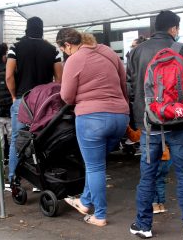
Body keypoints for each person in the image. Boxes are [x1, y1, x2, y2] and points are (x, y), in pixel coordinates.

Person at [127, 10, 183, 238]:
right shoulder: (182, 50)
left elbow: (130, 88)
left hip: (150, 124)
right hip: (179, 122)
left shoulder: (136, 51)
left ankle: (143, 225)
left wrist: (139, 116)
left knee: (147, 175)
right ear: (173, 29)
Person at [57, 28, 129, 227]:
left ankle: (100, 215)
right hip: (120, 117)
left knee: (95, 166)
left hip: (92, 118)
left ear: (68, 45)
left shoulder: (74, 59)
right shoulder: (108, 52)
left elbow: (67, 96)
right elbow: (123, 84)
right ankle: (85, 201)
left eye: (64, 50)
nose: (65, 53)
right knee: (95, 163)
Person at [5, 16, 63, 188]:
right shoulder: (53, 50)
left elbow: (8, 76)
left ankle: (14, 178)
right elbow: (59, 79)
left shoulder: (15, 48)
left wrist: (14, 96)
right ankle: (40, 179)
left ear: (26, 29)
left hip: (23, 99)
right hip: (44, 102)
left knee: (17, 139)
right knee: (43, 139)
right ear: (42, 29)